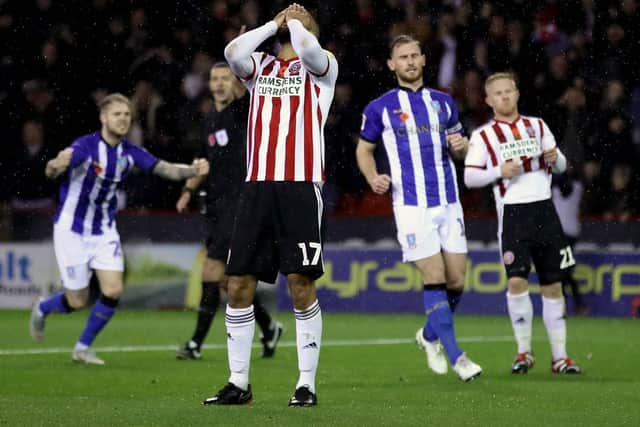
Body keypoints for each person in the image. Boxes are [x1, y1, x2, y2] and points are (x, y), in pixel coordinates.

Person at [202, 4, 338, 407]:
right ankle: (238, 383)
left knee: (300, 285)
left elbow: (309, 50)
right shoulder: (261, 67)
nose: (296, 16)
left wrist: (295, 22)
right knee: (238, 284)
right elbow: (232, 54)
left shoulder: (323, 68)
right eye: (292, 16)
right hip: (256, 188)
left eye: (304, 16)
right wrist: (270, 24)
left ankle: (306, 384)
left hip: (299, 187)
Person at [29, 93, 210, 365]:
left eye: (127, 115)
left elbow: (165, 169)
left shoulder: (129, 151)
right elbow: (54, 168)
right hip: (72, 230)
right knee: (77, 300)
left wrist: (192, 169)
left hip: (104, 230)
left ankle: (82, 347)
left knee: (112, 290)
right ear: (103, 117)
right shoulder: (86, 146)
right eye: (117, 114)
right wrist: (55, 165)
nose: (123, 119)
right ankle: (43, 307)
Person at [356, 34, 482, 382]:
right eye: (402, 57)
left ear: (424, 60)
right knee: (435, 276)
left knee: (457, 281)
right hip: (411, 206)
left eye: (415, 55)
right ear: (391, 65)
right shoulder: (379, 107)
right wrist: (372, 177)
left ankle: (428, 336)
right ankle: (458, 357)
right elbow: (363, 150)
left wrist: (462, 145)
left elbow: (462, 147)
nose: (410, 61)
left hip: (448, 200)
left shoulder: (443, 102)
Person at [463, 72, 582, 375]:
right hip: (513, 215)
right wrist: (499, 171)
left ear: (517, 93)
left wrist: (556, 159)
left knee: (553, 285)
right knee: (516, 281)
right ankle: (524, 352)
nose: (504, 96)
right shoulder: (483, 135)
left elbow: (562, 165)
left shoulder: (538, 126)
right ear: (488, 100)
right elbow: (470, 176)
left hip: (544, 212)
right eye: (497, 93)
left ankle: (560, 358)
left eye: (509, 91)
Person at [175, 62, 284, 361]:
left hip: (241, 207)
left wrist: (239, 59)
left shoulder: (241, 113)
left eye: (226, 77)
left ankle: (196, 343)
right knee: (229, 281)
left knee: (213, 272)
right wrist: (188, 190)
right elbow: (204, 164)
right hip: (216, 207)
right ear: (208, 84)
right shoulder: (210, 121)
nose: (220, 83)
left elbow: (246, 91)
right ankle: (269, 326)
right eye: (215, 78)